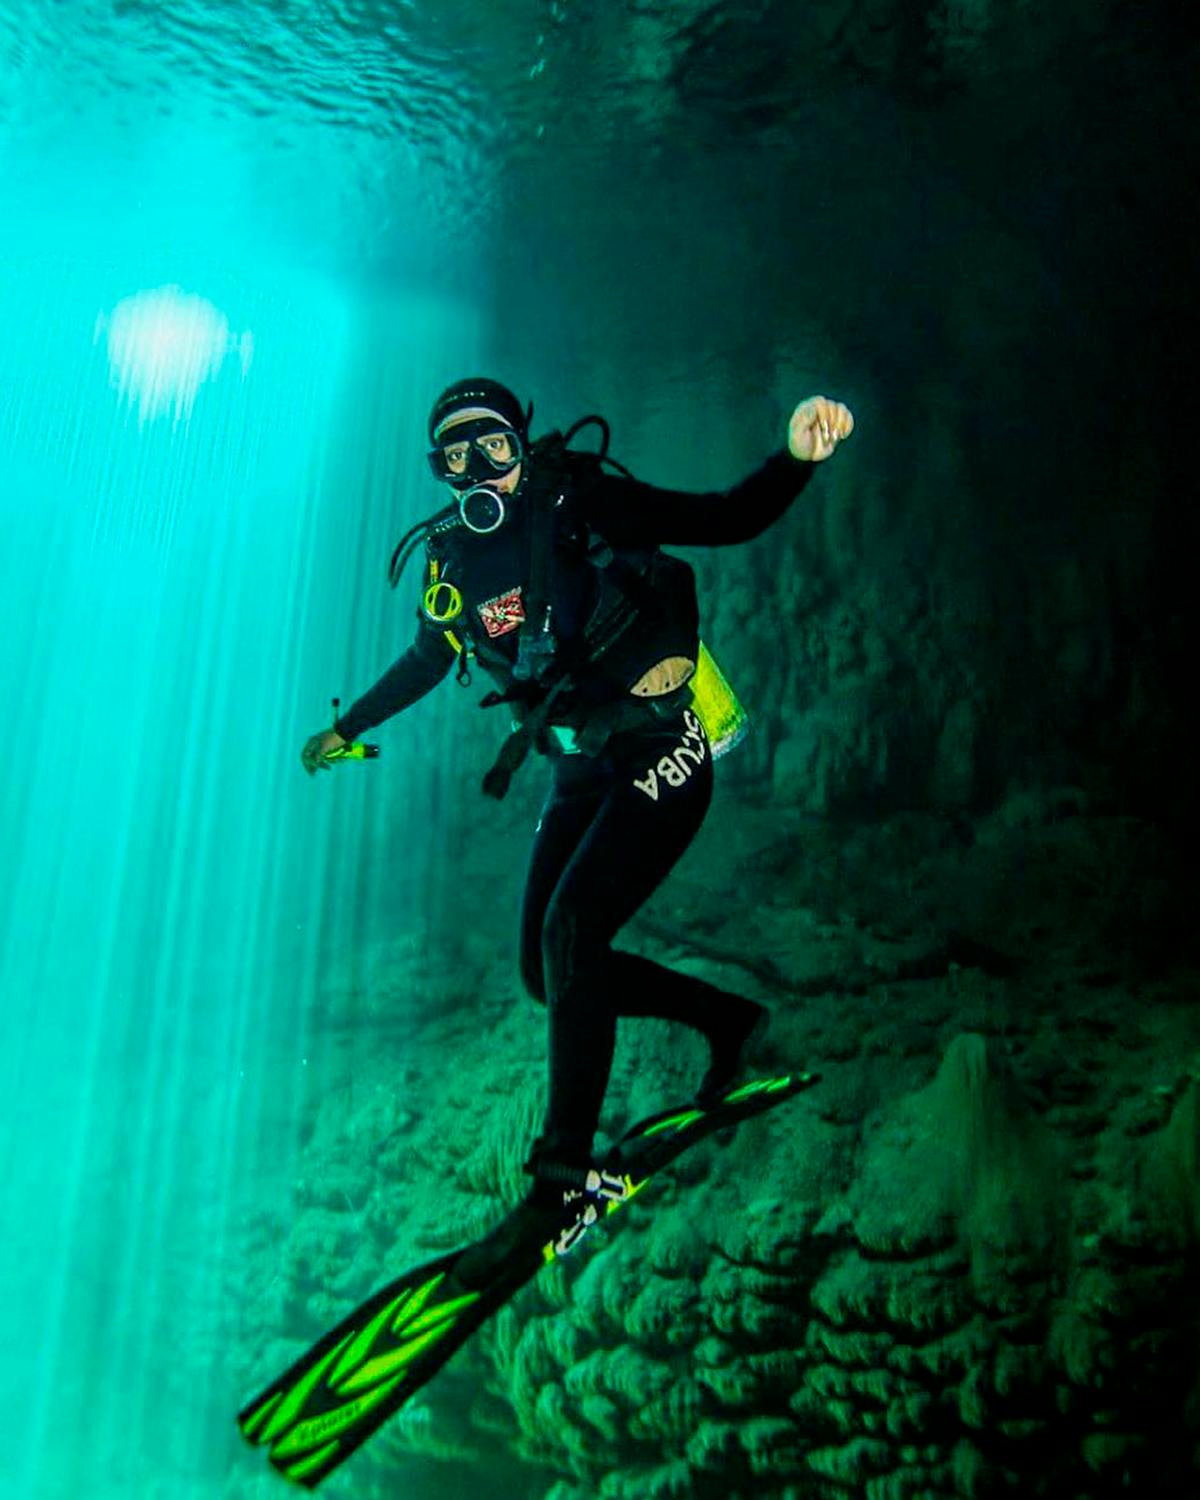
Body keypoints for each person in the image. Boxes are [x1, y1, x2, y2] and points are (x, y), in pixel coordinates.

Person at [301, 377, 854, 1232]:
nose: (479, 470)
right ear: (440, 470)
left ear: (522, 445)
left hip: (662, 748)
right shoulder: (450, 560)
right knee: (543, 972)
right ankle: (729, 1019)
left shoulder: (584, 502)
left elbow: (724, 518)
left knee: (572, 931)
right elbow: (426, 658)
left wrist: (795, 457)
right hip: (578, 771)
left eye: (493, 445)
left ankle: (565, 1172)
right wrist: (349, 728)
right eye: (457, 457)